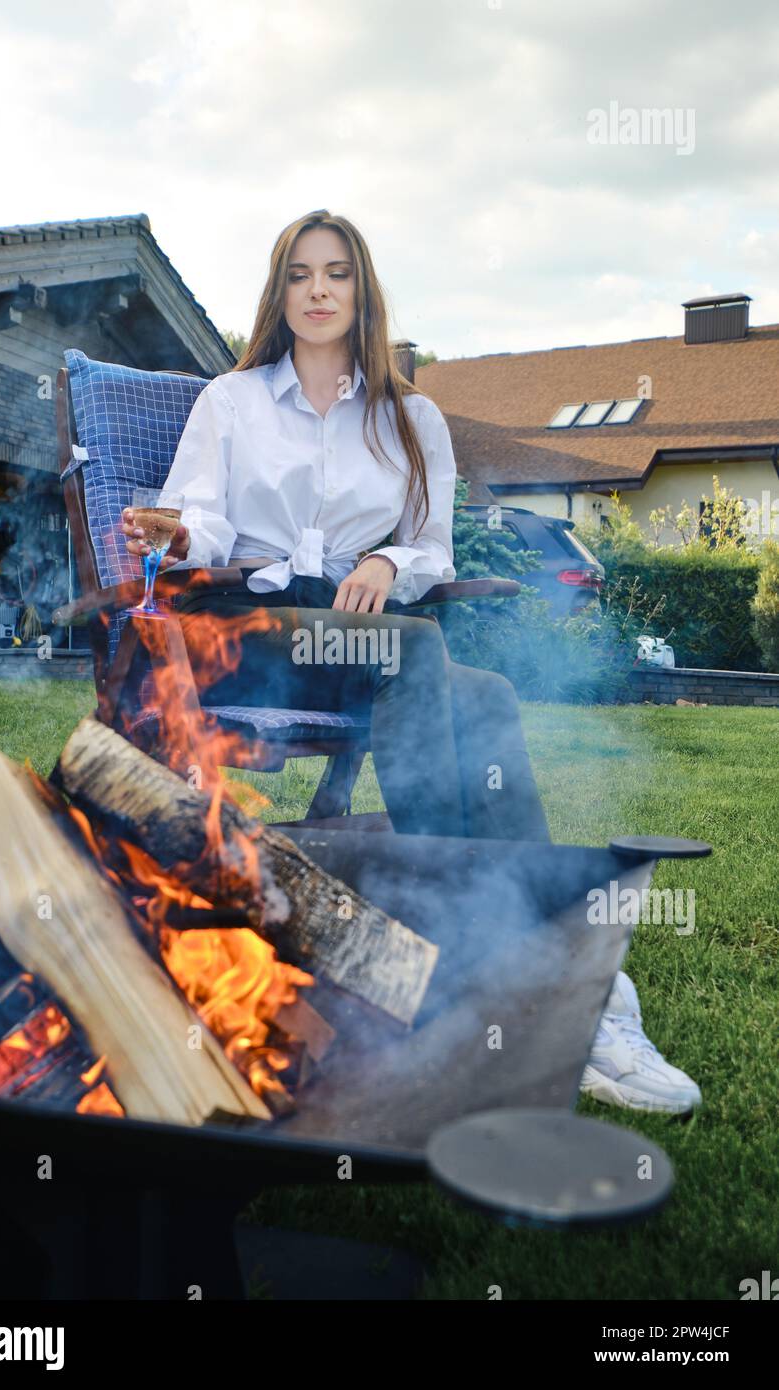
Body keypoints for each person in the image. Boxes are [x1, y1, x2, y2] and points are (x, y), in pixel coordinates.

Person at [121, 208, 701, 1115]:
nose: (318, 291)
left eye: (337, 274)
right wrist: (176, 527)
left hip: (368, 636)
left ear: (363, 292)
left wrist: (389, 560)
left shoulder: (411, 416)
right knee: (420, 652)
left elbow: (433, 551)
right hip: (256, 634)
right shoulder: (228, 403)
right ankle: (481, 939)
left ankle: (575, 985)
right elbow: (207, 521)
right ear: (279, 293)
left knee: (487, 696)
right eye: (300, 274)